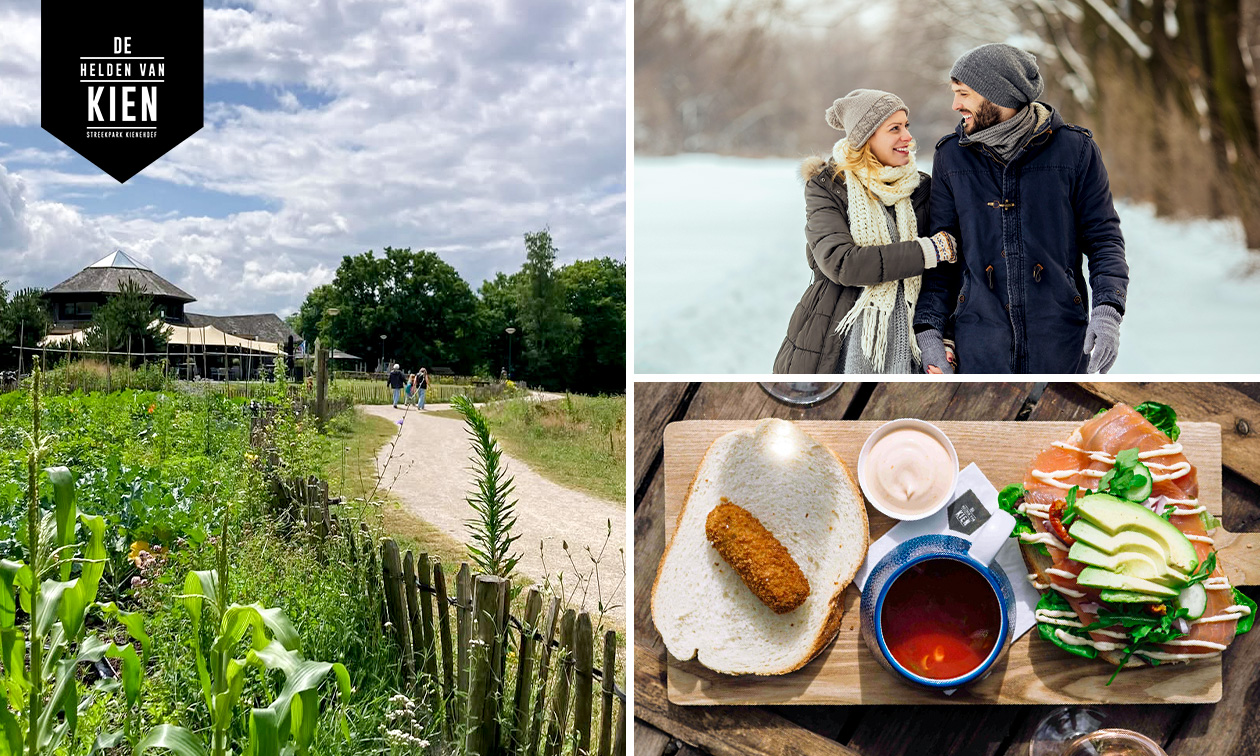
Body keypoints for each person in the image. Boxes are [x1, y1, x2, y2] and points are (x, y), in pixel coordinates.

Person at [914, 43, 1129, 374]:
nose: (955, 104)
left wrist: (1108, 308)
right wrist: (929, 331)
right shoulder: (951, 157)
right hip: (979, 345)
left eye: (964, 94)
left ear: (997, 93)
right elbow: (943, 255)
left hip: (1061, 341)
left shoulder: (1075, 151)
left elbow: (1104, 240)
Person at [774, 89, 958, 374]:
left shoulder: (921, 188)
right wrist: (928, 251)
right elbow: (843, 263)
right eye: (894, 129)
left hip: (912, 347)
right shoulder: (827, 187)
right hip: (834, 342)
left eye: (906, 126)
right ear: (865, 137)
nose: (908, 137)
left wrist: (941, 338)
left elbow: (944, 277)